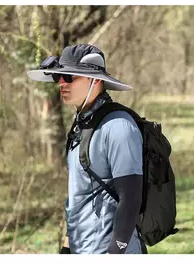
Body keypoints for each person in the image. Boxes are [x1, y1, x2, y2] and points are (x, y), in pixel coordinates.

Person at [27, 44, 147, 254]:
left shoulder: (119, 127)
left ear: (95, 80)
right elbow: (78, 197)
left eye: (70, 77)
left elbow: (131, 200)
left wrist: (115, 253)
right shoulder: (80, 128)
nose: (62, 83)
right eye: (58, 77)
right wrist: (66, 247)